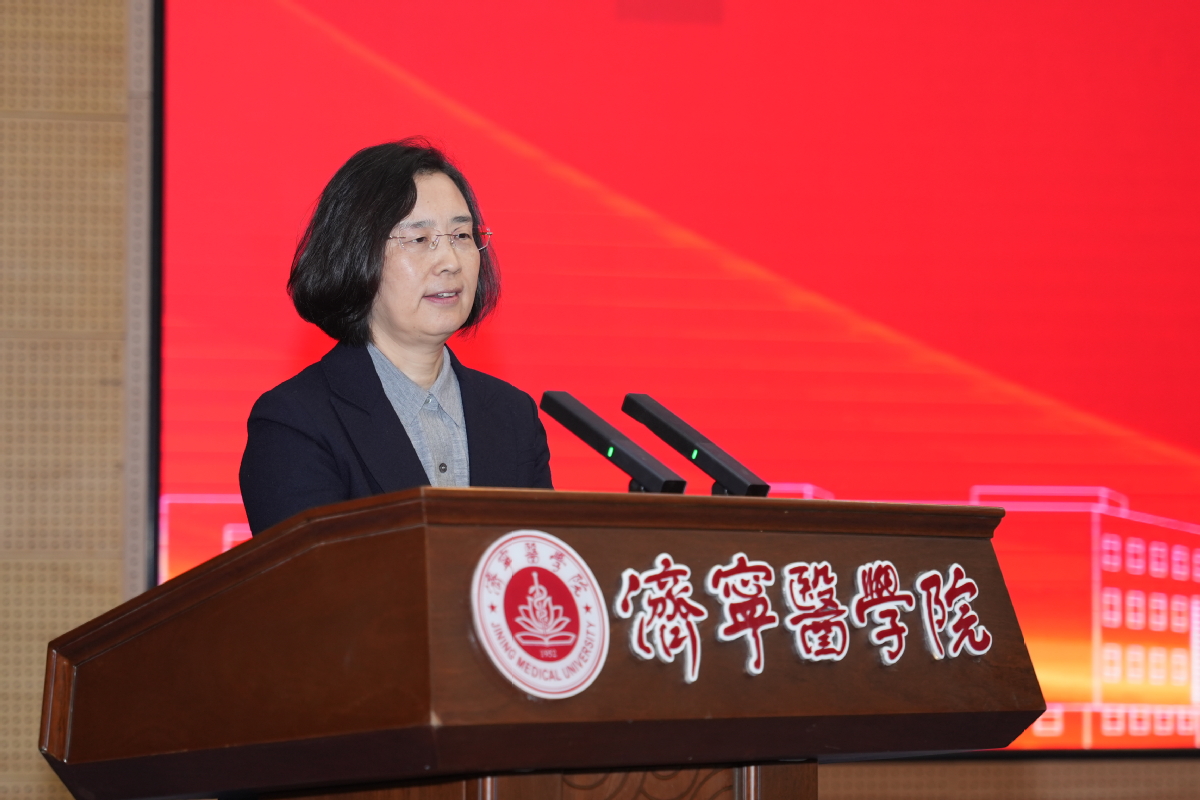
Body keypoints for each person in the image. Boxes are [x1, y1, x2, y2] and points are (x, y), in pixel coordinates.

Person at [239, 139, 552, 534]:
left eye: (461, 236)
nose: (450, 262)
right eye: (419, 240)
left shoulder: (512, 415)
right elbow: (316, 572)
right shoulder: (295, 422)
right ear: (357, 254)